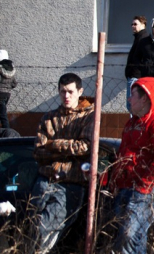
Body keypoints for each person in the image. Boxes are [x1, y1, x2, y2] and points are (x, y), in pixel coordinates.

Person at [113, 76, 154, 254]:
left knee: (130, 233)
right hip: (127, 186)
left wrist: (145, 186)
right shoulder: (131, 123)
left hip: (149, 189)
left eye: (132, 94)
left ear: (145, 98)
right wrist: (115, 181)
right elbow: (122, 154)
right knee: (133, 237)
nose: (129, 99)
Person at [30, 73, 95, 254]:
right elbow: (38, 151)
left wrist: (55, 144)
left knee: (46, 229)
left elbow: (85, 147)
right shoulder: (49, 118)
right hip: (44, 180)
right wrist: (67, 151)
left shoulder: (88, 117)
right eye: (62, 92)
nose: (66, 96)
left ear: (80, 92)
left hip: (70, 183)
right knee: (33, 229)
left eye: (70, 92)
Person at [125, 15, 150, 112]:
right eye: (132, 24)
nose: (133, 26)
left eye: (135, 24)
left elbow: (144, 58)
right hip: (134, 75)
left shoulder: (143, 39)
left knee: (132, 106)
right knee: (133, 106)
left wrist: (135, 71)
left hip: (136, 76)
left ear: (143, 25)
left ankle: (134, 126)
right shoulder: (138, 38)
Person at [0, 50, 16, 129]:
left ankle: (6, 131)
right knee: (2, 112)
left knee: (2, 114)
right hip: (7, 94)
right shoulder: (11, 69)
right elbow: (14, 84)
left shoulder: (0, 68)